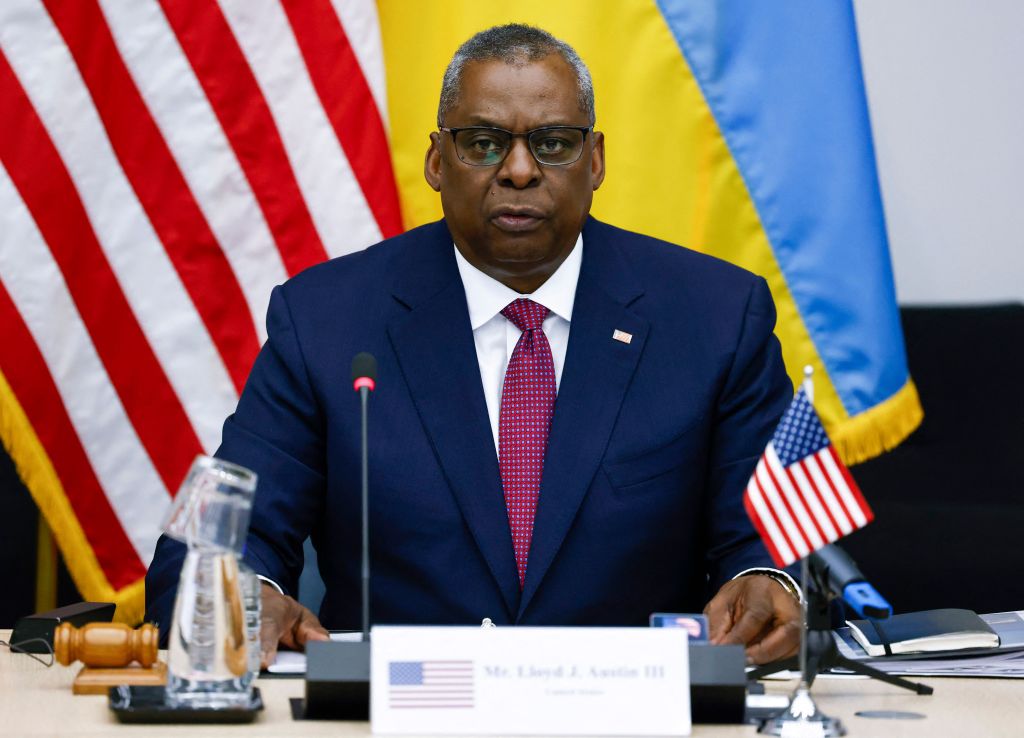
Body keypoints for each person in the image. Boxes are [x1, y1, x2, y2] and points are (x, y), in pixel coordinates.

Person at [146, 24, 800, 667]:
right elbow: (225, 537)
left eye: (553, 143)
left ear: (595, 159)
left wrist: (773, 582)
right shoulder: (327, 321)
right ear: (437, 160)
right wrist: (251, 595)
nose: (519, 170)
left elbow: (778, 540)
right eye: (484, 143)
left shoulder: (714, 318)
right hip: (394, 713)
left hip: (635, 711)